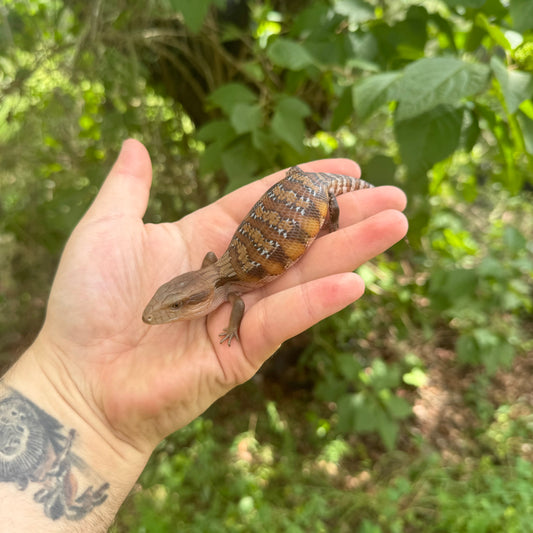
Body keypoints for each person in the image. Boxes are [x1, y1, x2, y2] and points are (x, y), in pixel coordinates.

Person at [0, 139, 408, 531]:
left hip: (315, 193)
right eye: (170, 303)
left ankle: (339, 206)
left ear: (202, 295)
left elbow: (237, 301)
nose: (164, 313)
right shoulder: (220, 276)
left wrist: (328, 225)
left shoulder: (228, 285)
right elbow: (219, 275)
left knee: (352, 198)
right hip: (299, 185)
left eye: (176, 305)